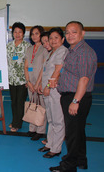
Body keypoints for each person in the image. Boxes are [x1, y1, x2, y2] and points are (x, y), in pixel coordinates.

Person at [50, 21, 97, 172]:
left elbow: (84, 79)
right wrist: (59, 79)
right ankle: (80, 160)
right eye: (67, 32)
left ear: (82, 33)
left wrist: (75, 101)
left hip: (76, 97)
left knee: (72, 134)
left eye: (74, 32)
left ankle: (69, 166)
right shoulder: (72, 50)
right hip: (69, 95)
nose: (70, 35)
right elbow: (71, 72)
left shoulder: (84, 52)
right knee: (78, 132)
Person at [37, 27, 68, 159]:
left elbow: (57, 71)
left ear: (62, 39)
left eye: (56, 37)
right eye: (51, 38)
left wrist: (48, 87)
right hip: (47, 91)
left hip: (55, 91)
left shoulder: (62, 51)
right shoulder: (52, 52)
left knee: (58, 120)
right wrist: (42, 85)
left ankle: (56, 149)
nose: (53, 40)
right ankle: (50, 144)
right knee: (50, 119)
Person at [24, 25, 48, 140]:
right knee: (32, 104)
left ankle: (41, 130)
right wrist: (28, 82)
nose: (34, 36)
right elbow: (26, 66)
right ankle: (32, 128)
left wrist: (38, 84)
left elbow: (44, 68)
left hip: (40, 84)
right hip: (31, 83)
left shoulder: (45, 49)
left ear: (42, 34)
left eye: (37, 33)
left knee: (41, 106)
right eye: (32, 34)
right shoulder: (29, 49)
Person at [6, 22, 31, 132]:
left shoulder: (27, 46)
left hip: (22, 80)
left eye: (20, 32)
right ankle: (15, 120)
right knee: (14, 102)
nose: (17, 34)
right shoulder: (9, 46)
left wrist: (28, 79)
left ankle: (17, 124)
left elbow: (30, 65)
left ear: (23, 33)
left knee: (20, 102)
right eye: (15, 32)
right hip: (11, 79)